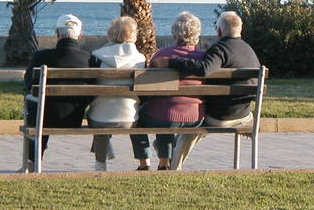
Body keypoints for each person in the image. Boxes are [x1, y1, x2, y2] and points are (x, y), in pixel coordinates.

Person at [151, 11, 260, 170]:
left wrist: (170, 63)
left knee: (191, 128)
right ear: (240, 30)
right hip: (244, 115)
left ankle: (174, 166)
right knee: (192, 125)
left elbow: (204, 69)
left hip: (220, 117)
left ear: (219, 32)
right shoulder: (249, 50)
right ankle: (169, 153)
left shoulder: (220, 49)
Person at [130, 12, 205, 171]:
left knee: (140, 117)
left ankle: (148, 163)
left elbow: (147, 87)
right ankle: (164, 162)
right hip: (195, 117)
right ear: (197, 33)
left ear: (174, 32)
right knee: (165, 109)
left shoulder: (162, 55)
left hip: (164, 116)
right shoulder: (205, 58)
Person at [23, 14, 90, 172]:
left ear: (57, 33)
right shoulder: (87, 59)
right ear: (80, 35)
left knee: (39, 106)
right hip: (73, 118)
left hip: (42, 119)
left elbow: (28, 84)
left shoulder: (42, 56)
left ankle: (33, 163)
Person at [87, 16, 146, 171]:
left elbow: (90, 88)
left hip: (100, 119)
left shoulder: (97, 57)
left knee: (97, 112)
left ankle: (100, 164)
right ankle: (144, 161)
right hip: (130, 119)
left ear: (110, 33)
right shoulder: (140, 59)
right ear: (134, 35)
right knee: (139, 111)